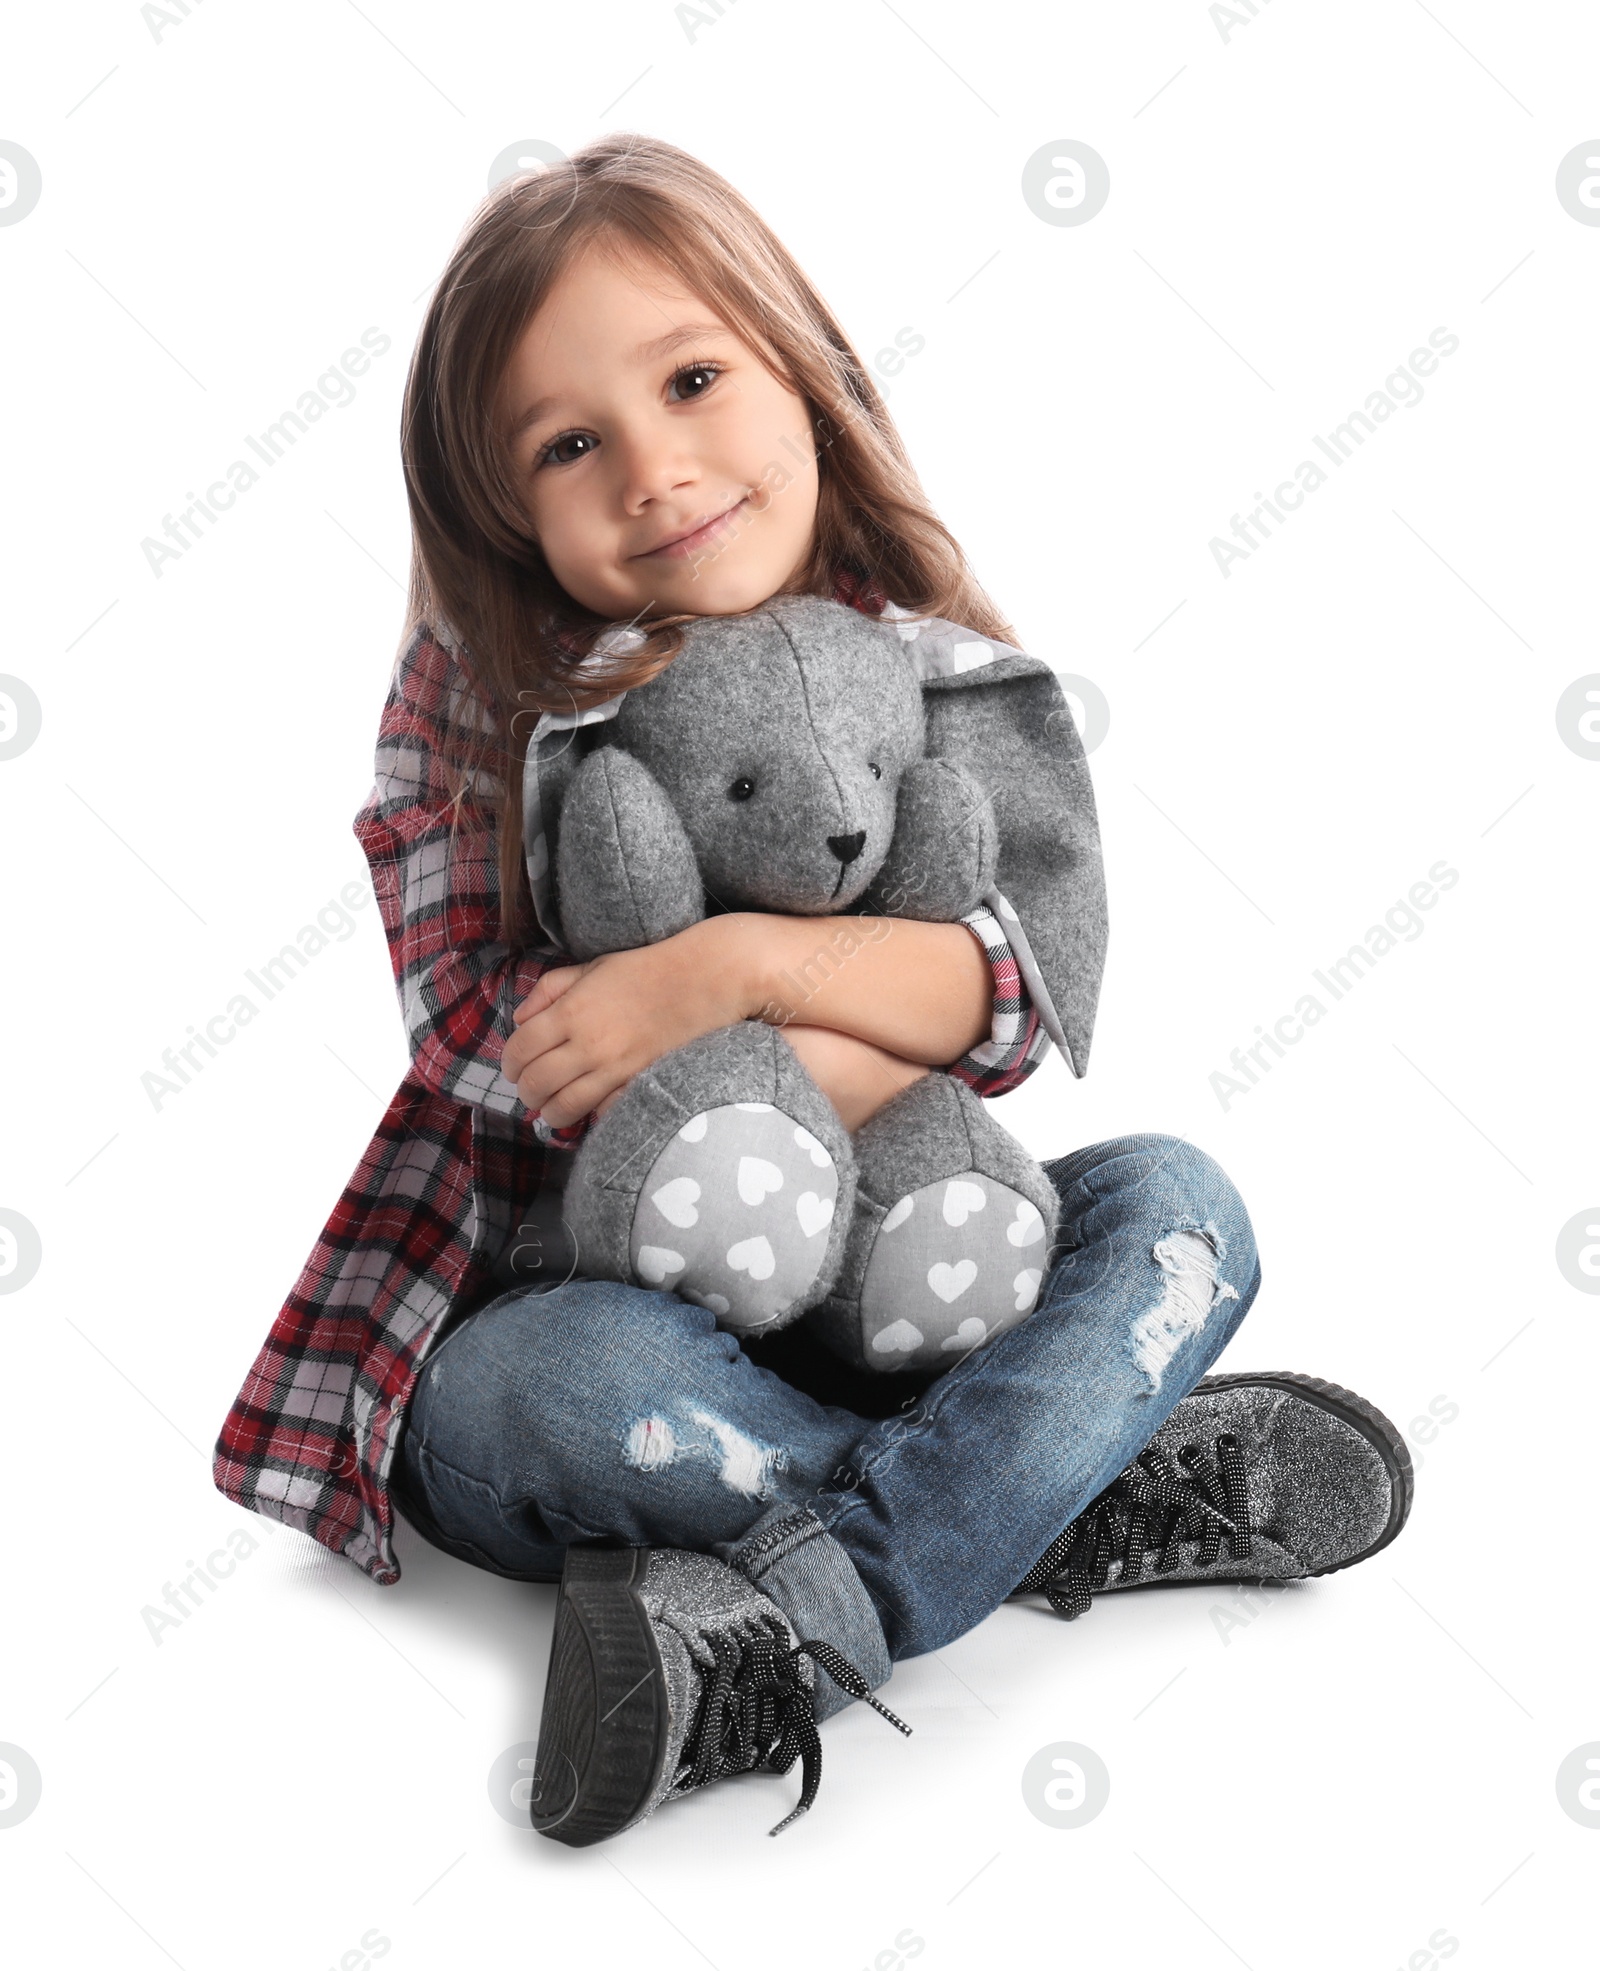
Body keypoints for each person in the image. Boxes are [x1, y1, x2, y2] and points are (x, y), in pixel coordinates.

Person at [213, 134, 1412, 1850]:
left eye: (694, 380)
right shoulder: (470, 708)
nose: (656, 468)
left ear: (805, 372)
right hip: (579, 1326)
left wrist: (732, 974)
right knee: (556, 1384)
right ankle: (1053, 1487)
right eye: (572, 446)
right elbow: (524, 1061)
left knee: (1179, 1203)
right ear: (506, 514)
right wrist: (861, 1013)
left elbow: (1012, 990)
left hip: (901, 1289)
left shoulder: (908, 652)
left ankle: (818, 1609)